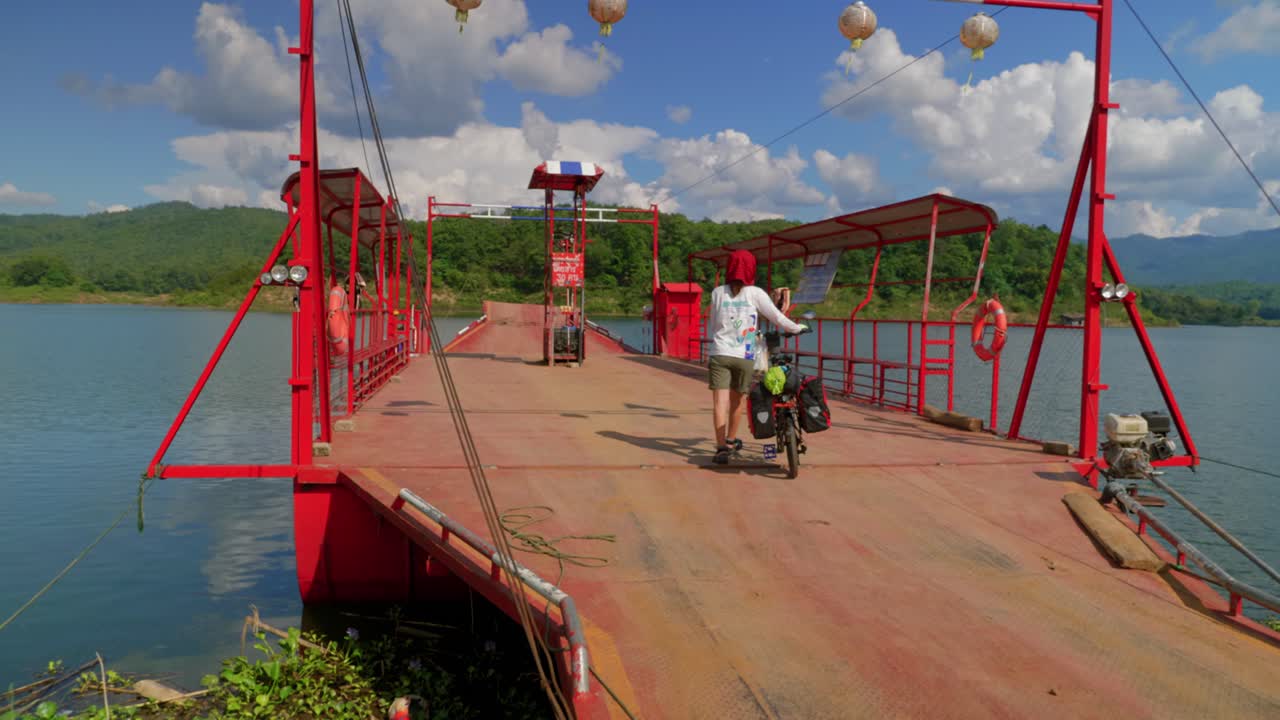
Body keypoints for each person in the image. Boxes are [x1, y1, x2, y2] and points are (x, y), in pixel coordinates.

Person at [706, 250, 807, 464]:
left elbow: (714, 324)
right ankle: (732, 440)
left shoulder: (717, 293)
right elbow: (776, 316)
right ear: (751, 268)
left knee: (719, 403)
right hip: (744, 355)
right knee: (737, 401)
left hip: (720, 353)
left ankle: (721, 448)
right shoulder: (755, 293)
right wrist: (796, 328)